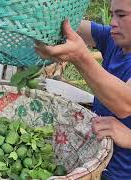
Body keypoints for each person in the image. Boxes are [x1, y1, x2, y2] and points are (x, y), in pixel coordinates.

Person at [34, 0, 131, 179]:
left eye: (122, 15)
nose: (113, 22)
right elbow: (71, 27)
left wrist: (79, 57)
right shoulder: (114, 41)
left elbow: (125, 103)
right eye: (112, 14)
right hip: (97, 162)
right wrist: (40, 13)